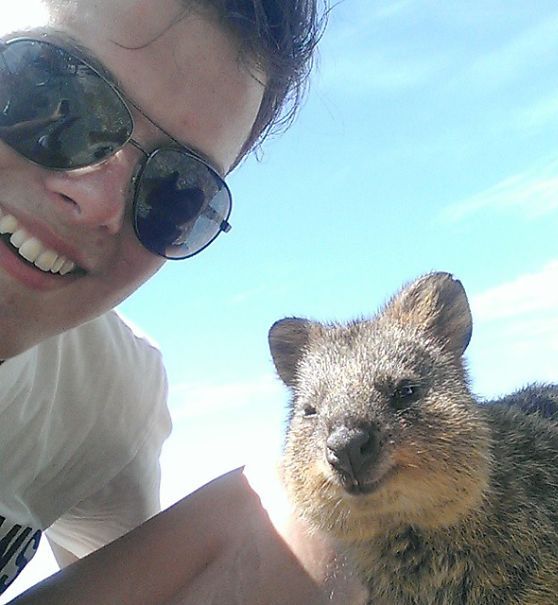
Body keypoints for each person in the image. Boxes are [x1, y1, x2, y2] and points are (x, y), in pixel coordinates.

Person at [0, 0, 366, 602]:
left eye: (177, 190)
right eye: (55, 94)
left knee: (307, 523)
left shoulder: (105, 399)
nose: (99, 202)